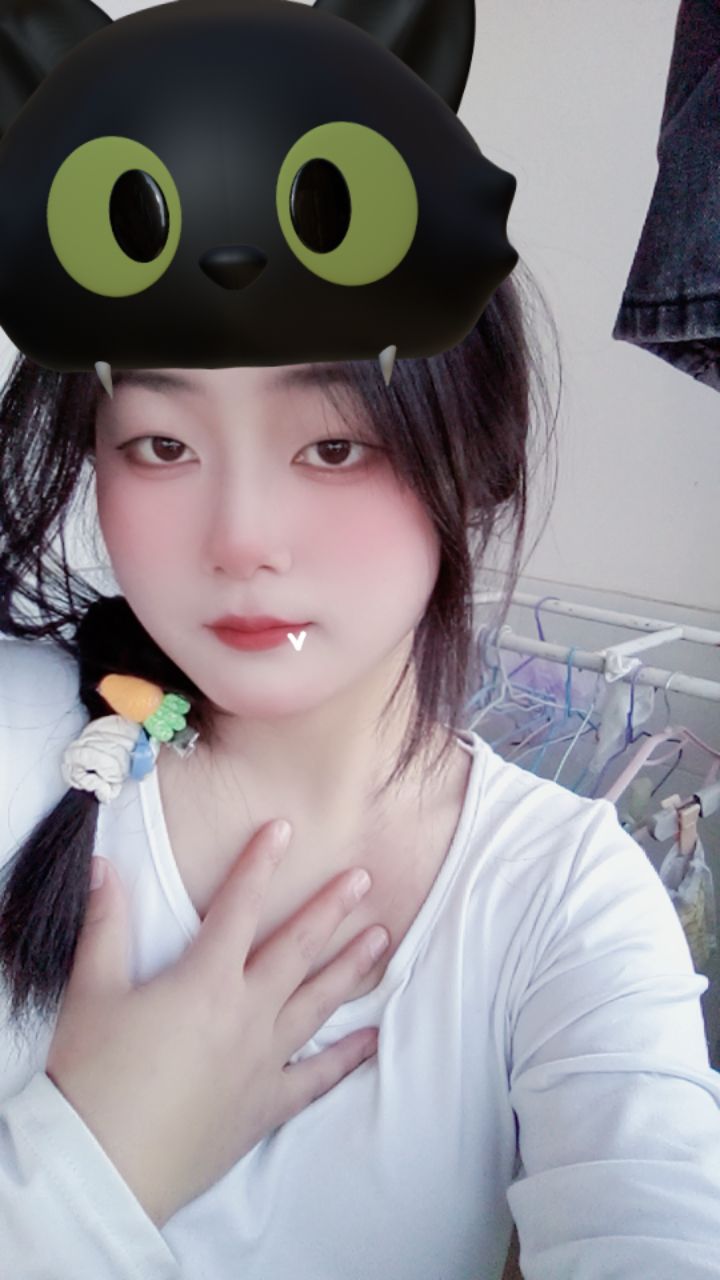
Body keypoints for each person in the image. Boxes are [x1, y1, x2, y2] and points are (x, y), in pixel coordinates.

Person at [0, 261, 719, 1280]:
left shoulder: (566, 899)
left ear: (474, 460)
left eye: (334, 446)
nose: (241, 541)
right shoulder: (20, 737)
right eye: (163, 444)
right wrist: (88, 1166)